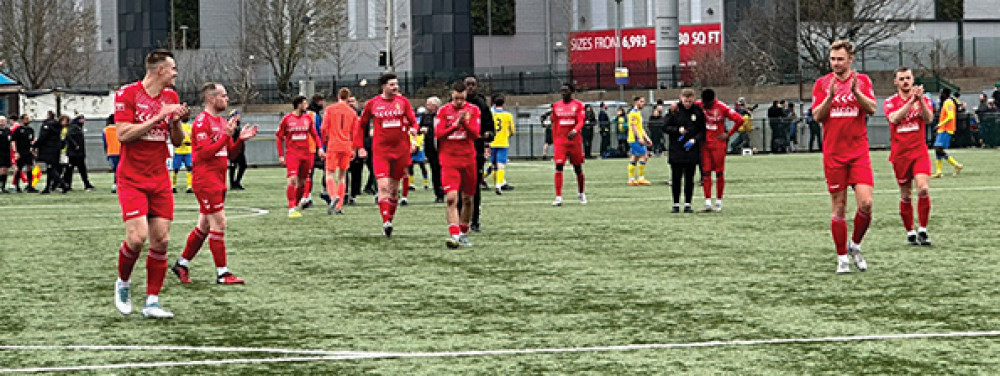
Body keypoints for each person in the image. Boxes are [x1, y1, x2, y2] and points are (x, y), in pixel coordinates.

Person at [113, 49, 190, 318]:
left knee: (162, 240)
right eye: (172, 68)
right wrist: (159, 116)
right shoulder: (128, 94)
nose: (176, 73)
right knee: (136, 238)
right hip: (132, 178)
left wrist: (176, 121)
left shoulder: (171, 97)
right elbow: (123, 134)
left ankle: (152, 302)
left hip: (159, 177)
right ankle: (123, 283)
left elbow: (178, 141)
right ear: (159, 70)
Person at [171, 82, 257, 285]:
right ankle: (222, 273)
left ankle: (182, 264)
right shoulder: (201, 122)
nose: (227, 100)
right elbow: (203, 154)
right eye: (224, 96)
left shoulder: (220, 122)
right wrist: (226, 135)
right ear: (211, 99)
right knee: (219, 223)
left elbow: (229, 154)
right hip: (206, 180)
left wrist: (240, 140)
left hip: (219, 179)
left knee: (204, 226)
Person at [811, 40, 876, 275]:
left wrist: (856, 92)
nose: (836, 63)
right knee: (838, 208)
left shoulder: (863, 81)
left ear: (850, 60)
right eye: (833, 59)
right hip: (834, 154)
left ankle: (855, 246)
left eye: (840, 59)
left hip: (858, 152)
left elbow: (872, 108)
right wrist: (829, 97)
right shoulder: (822, 83)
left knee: (866, 204)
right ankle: (842, 259)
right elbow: (817, 116)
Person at [355, 73, 419, 238]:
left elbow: (413, 122)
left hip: (401, 150)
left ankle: (389, 219)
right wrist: (360, 147)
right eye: (392, 84)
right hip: (381, 151)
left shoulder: (403, 102)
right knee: (383, 186)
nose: (395, 87)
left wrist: (414, 131)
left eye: (396, 84)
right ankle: (386, 222)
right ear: (383, 86)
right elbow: (360, 126)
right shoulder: (373, 104)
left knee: (394, 190)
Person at [884, 67, 934, 247]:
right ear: (896, 82)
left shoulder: (924, 99)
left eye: (908, 78)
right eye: (902, 79)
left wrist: (919, 101)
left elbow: (928, 119)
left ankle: (923, 229)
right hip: (900, 155)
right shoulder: (890, 101)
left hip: (919, 152)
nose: (905, 81)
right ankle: (910, 231)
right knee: (905, 194)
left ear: (913, 80)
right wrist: (910, 102)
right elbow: (894, 119)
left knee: (923, 189)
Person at [436, 81, 481, 248]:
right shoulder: (443, 111)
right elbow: (438, 133)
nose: (459, 102)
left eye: (462, 99)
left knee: (468, 199)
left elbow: (476, 134)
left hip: (468, 159)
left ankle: (464, 232)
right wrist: (455, 125)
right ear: (451, 95)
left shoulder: (473, 110)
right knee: (451, 198)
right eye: (456, 98)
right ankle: (454, 234)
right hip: (449, 160)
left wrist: (465, 124)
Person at [696, 89, 745, 211]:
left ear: (713, 100)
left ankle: (718, 201)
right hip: (705, 144)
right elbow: (685, 104)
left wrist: (728, 134)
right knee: (705, 172)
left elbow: (740, 120)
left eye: (707, 103)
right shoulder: (699, 104)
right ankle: (707, 202)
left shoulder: (722, 107)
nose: (705, 105)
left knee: (719, 172)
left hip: (718, 144)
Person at [276, 95, 322, 218]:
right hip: (292, 154)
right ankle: (291, 207)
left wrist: (320, 148)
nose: (306, 106)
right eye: (305, 104)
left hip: (305, 154)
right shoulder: (287, 119)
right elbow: (279, 137)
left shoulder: (307, 119)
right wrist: (281, 155)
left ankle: (295, 205)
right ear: (299, 105)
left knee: (302, 182)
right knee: (292, 179)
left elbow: (314, 135)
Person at [664, 89, 706, 213]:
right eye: (685, 100)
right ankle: (676, 204)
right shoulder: (674, 110)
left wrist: (694, 140)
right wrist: (678, 130)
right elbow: (665, 126)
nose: (687, 103)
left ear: (693, 99)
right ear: (681, 98)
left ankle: (688, 204)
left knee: (690, 178)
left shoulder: (698, 111)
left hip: (691, 150)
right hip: (676, 149)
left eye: (690, 100)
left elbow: (702, 131)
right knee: (676, 178)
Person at [321, 87, 360, 215]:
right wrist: (353, 148)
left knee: (329, 173)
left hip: (333, 144)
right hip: (346, 145)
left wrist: (325, 143)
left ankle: (333, 196)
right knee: (342, 176)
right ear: (348, 98)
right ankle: (339, 205)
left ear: (338, 96)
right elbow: (355, 133)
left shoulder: (330, 109)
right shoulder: (352, 113)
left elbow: (324, 128)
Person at [463, 76, 494, 232]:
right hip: (458, 150)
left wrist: (487, 135)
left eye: (473, 85)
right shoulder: (456, 105)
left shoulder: (481, 104)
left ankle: (475, 221)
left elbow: (490, 126)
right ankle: (459, 220)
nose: (470, 88)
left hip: (476, 150)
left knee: (474, 187)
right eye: (467, 85)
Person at [549, 83, 588, 206]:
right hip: (561, 142)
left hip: (574, 142)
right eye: (562, 91)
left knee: (577, 168)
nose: (563, 93)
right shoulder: (556, 106)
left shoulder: (578, 105)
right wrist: (554, 140)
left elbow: (581, 121)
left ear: (572, 91)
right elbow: (554, 122)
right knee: (559, 166)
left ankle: (581, 193)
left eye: (566, 90)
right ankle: (558, 197)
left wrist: (575, 130)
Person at [932, 88, 964, 178]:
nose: (940, 95)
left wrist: (939, 125)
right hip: (943, 129)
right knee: (938, 149)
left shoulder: (948, 102)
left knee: (938, 148)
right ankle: (939, 171)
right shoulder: (946, 102)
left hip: (946, 129)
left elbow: (950, 117)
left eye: (941, 93)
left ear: (945, 94)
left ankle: (957, 165)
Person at [487, 94, 515, 194]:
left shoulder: (491, 114)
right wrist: (508, 135)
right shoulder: (508, 115)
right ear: (503, 104)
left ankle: (487, 180)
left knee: (493, 165)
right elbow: (512, 131)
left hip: (492, 142)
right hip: (503, 143)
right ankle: (499, 185)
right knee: (501, 165)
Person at [304, 93, 327, 206]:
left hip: (309, 148)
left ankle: (308, 196)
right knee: (312, 173)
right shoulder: (313, 115)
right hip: (312, 148)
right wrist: (321, 147)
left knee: (309, 174)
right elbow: (319, 132)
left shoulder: (312, 114)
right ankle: (322, 192)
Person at [420, 96, 445, 203]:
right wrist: (421, 130)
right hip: (431, 148)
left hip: (443, 147)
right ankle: (438, 194)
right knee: (435, 171)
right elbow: (419, 128)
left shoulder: (442, 115)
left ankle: (446, 190)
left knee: (444, 171)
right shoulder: (426, 116)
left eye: (429, 104)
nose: (427, 106)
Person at [34, 111, 65, 194]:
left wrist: (35, 145)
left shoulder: (46, 125)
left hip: (47, 149)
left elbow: (43, 137)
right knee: (51, 168)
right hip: (56, 149)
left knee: (50, 168)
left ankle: (62, 183)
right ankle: (47, 187)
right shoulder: (58, 126)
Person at [62, 115, 95, 191]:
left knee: (75, 170)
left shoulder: (77, 128)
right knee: (72, 170)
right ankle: (67, 184)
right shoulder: (74, 127)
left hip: (78, 153)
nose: (83, 120)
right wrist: (75, 145)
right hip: (75, 153)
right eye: (81, 119)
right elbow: (68, 136)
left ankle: (68, 184)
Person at [626, 96, 653, 186]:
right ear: (636, 102)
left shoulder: (637, 112)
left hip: (636, 138)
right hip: (634, 139)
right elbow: (634, 127)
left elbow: (640, 128)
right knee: (644, 156)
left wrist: (646, 138)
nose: (643, 103)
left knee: (635, 157)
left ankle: (631, 179)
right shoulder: (633, 113)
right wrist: (640, 138)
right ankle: (641, 178)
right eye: (641, 101)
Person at [170, 113, 193, 193]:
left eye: (188, 116)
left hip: (188, 151)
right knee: (175, 169)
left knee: (189, 168)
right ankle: (173, 186)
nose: (187, 117)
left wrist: (190, 142)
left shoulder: (191, 126)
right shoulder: (178, 126)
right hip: (178, 150)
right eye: (186, 116)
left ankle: (189, 186)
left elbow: (193, 137)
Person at [228, 113, 248, 190]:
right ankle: (232, 184)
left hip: (240, 149)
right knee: (233, 166)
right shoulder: (230, 125)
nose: (239, 117)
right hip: (233, 148)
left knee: (243, 165)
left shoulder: (238, 126)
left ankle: (237, 182)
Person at [103, 114, 121, 193]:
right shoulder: (120, 128)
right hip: (121, 151)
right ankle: (119, 185)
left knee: (116, 170)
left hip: (111, 152)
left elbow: (105, 143)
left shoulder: (105, 130)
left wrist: (106, 152)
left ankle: (115, 185)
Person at [0, 116, 10, 193]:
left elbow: (10, 141)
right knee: (1, 169)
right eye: (1, 121)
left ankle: (3, 186)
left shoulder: (7, 130)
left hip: (6, 152)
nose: (2, 122)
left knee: (6, 169)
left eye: (4, 121)